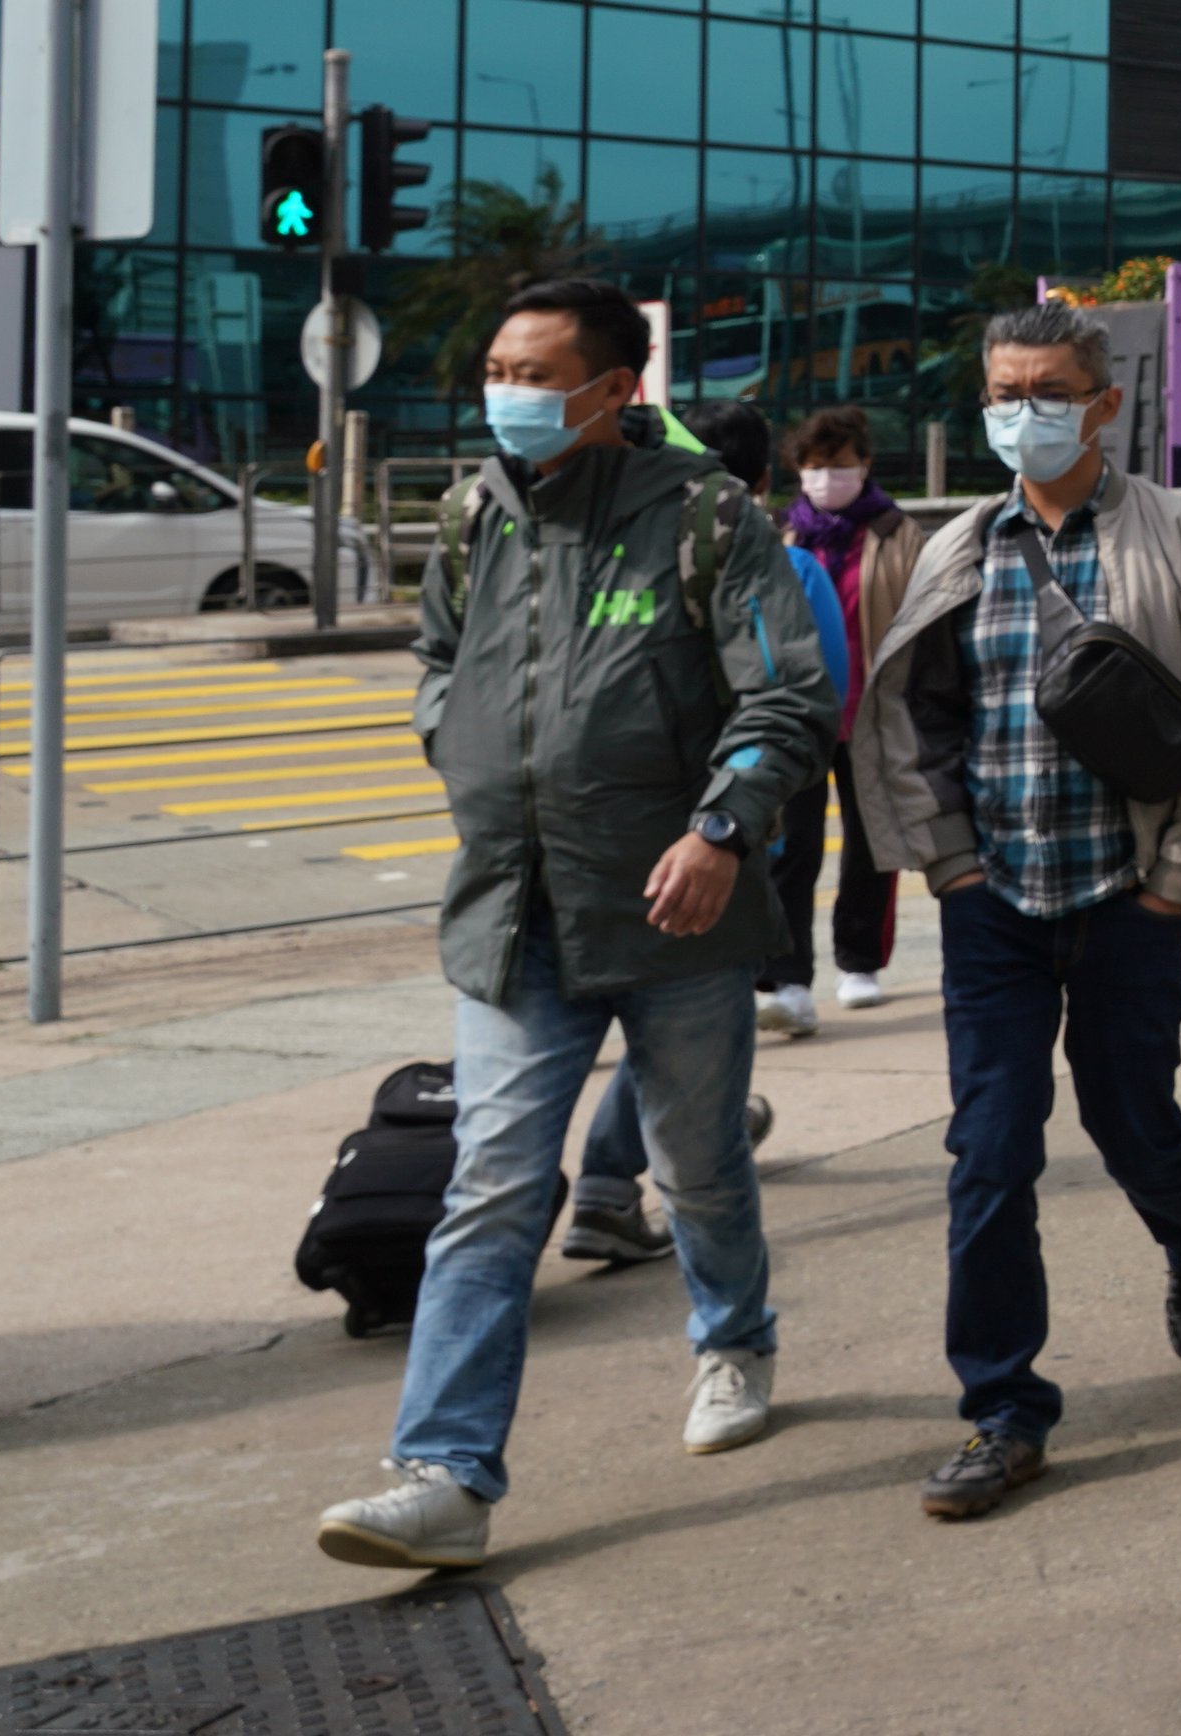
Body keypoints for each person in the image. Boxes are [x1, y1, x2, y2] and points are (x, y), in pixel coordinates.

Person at [313, 277, 832, 1574]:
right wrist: (454, 735)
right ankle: (445, 1473)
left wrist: (722, 830)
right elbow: (439, 661)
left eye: (536, 376)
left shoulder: (707, 518)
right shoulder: (473, 514)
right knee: (490, 1189)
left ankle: (734, 1341)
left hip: (675, 910)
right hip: (513, 914)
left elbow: (783, 696)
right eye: (498, 370)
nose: (509, 395)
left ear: (612, 391)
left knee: (696, 1165)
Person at [854, 303, 1181, 1521]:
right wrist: (947, 863)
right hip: (994, 903)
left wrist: (1175, 881)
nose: (1021, 413)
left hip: (1128, 898)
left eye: (1047, 392)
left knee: (1133, 1119)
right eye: (1004, 392)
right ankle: (1004, 1411)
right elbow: (912, 718)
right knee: (989, 1152)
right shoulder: (958, 547)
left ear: (1103, 404)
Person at [555, 398, 844, 1269]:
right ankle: (619, 1180)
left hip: (608, 829)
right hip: (728, 836)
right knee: (687, 1016)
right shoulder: (791, 566)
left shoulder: (608, 552)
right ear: (763, 478)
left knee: (663, 1011)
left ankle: (666, 1147)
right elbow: (818, 701)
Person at [779, 405, 924, 1010]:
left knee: (871, 845)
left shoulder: (897, 534)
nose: (826, 477)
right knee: (792, 846)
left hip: (873, 714)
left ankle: (860, 962)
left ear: (865, 464)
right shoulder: (784, 537)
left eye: (838, 464)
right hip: (799, 719)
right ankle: (786, 974)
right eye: (814, 466)